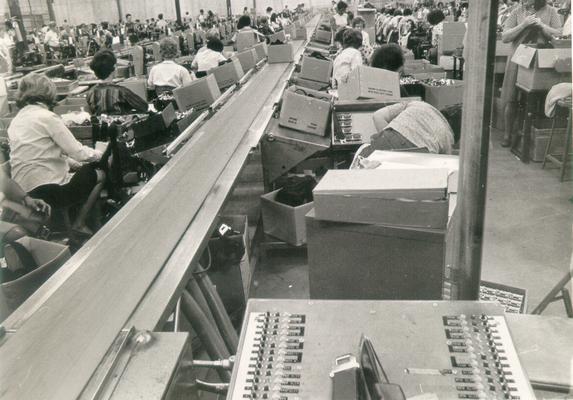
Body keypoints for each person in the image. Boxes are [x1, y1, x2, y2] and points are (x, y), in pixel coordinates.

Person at [7, 74, 105, 235]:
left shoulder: (16, 121)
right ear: (48, 93)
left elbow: (41, 152)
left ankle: (72, 221)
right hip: (52, 192)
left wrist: (73, 164)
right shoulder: (47, 117)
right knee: (99, 174)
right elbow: (79, 152)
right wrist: (100, 154)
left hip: (25, 193)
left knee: (79, 171)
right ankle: (80, 223)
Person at [500, 0, 562, 146]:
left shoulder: (551, 11)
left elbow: (559, 34)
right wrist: (524, 24)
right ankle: (508, 134)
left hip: (541, 59)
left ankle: (534, 138)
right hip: (518, 57)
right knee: (511, 97)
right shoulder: (518, 11)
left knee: (539, 97)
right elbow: (505, 37)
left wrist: (542, 26)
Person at [353, 101, 454, 167]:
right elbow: (444, 167)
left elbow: (377, 115)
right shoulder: (448, 135)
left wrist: (386, 148)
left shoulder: (419, 104)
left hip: (389, 136)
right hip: (418, 157)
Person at [86, 49, 149, 115]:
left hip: (100, 124)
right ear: (114, 68)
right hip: (120, 124)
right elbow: (144, 106)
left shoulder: (90, 93)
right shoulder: (121, 91)